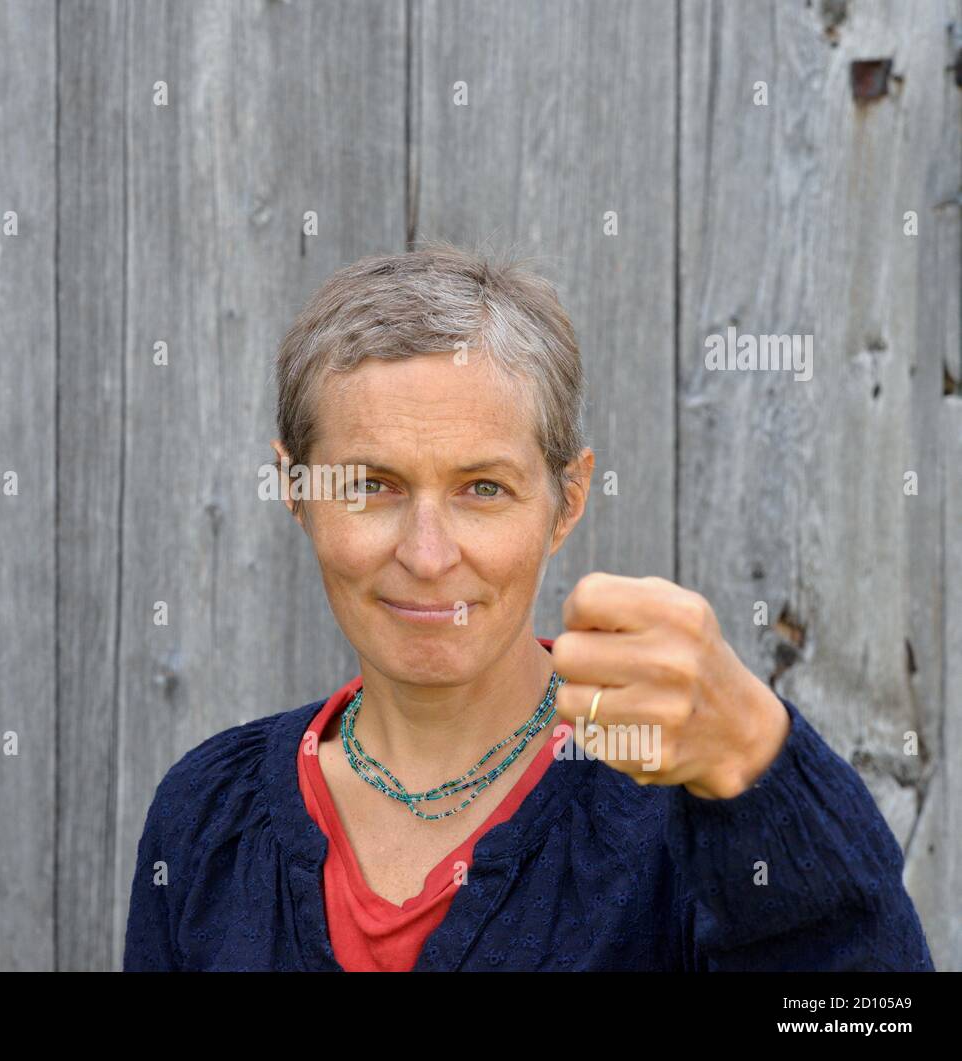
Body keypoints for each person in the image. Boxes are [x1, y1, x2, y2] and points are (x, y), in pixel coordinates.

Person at [122, 240, 934, 972]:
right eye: (372, 485)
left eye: (483, 488)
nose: (428, 553)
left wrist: (764, 761)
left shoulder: (676, 819)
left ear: (567, 498)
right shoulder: (206, 819)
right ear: (295, 490)